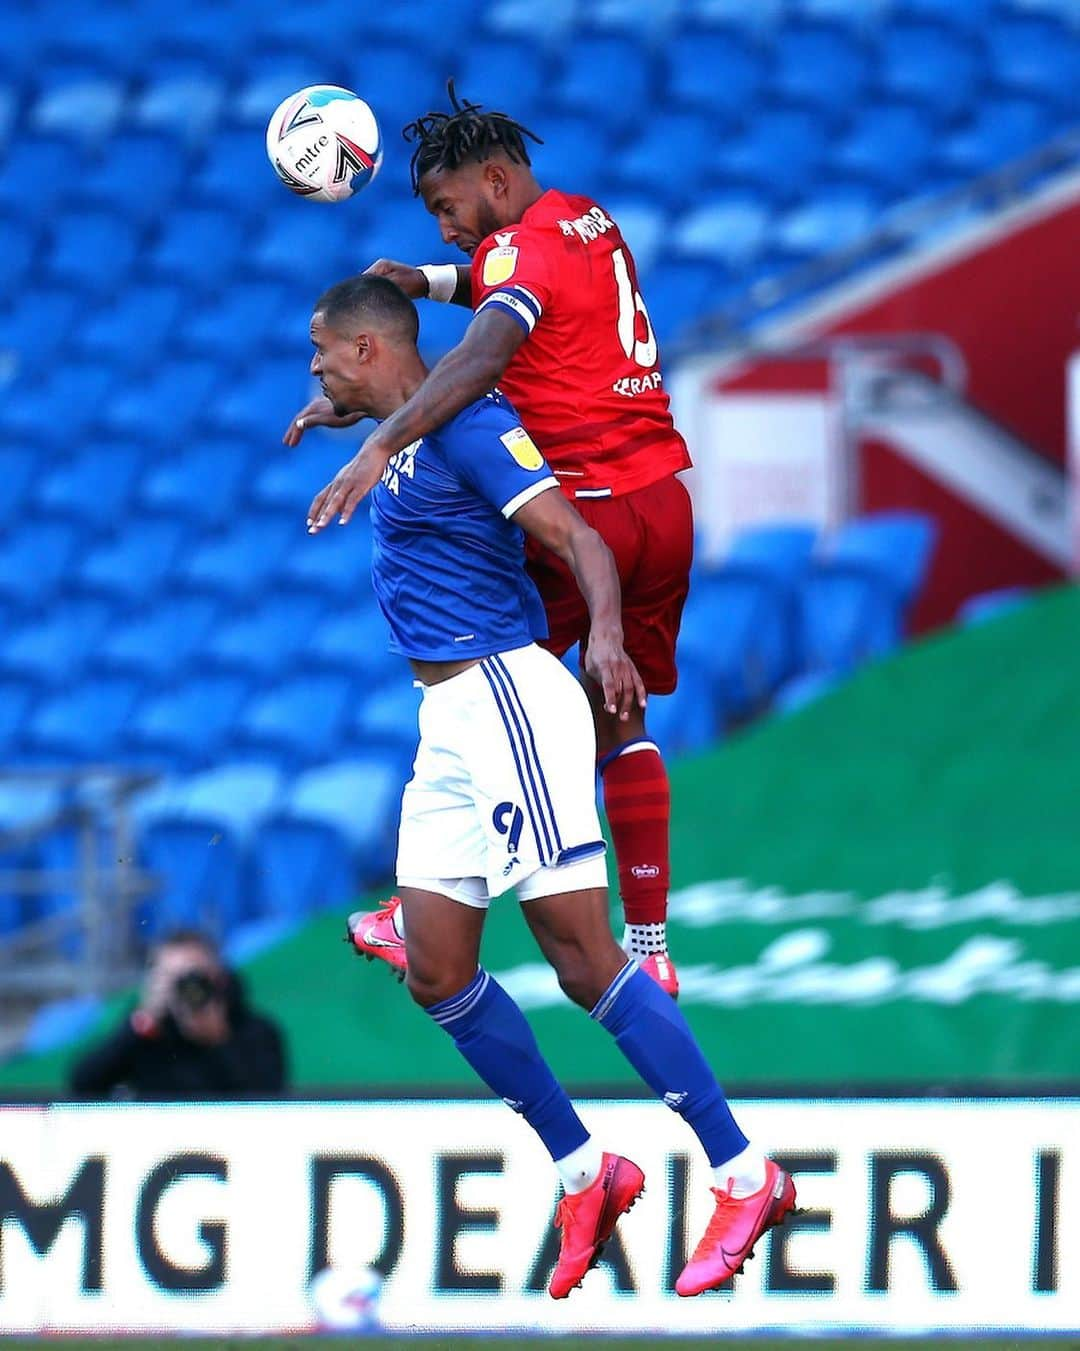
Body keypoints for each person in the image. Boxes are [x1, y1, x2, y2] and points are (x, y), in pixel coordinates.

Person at [304, 272, 794, 1299]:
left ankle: (745, 1172)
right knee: (437, 970)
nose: (312, 368)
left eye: (324, 354)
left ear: (368, 348)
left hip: (509, 696)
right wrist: (338, 409)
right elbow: (382, 414)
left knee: (581, 955)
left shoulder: (472, 428)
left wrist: (606, 640)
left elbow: (575, 538)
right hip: (447, 723)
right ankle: (585, 1169)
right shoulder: (401, 427)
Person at [287, 84, 691, 997]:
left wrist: (379, 439)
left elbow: (483, 350)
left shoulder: (517, 251)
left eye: (446, 207)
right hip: (660, 507)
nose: (443, 231)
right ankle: (653, 940)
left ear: (496, 180)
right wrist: (421, 284)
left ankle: (422, 903)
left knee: (473, 688)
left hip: (576, 508)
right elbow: (506, 272)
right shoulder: (583, 219)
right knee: (619, 712)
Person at [68, 929, 288, 1099]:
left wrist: (218, 1040)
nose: (186, 988)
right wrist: (142, 1024)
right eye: (173, 976)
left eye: (193, 975)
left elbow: (266, 1101)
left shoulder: (255, 1030)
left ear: (218, 976)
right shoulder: (146, 1033)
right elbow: (84, 1084)